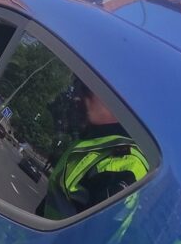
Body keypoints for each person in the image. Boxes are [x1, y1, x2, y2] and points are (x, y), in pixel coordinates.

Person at [41, 79, 149, 219]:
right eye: (78, 87)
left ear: (117, 101)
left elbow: (85, 236)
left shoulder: (125, 164)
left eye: (86, 90)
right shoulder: (94, 143)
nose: (77, 96)